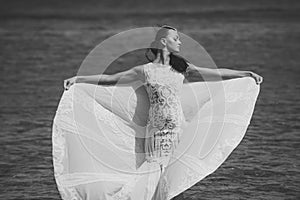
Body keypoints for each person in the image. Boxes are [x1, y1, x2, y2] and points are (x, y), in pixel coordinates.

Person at [59, 25, 262, 200]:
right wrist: (79, 79)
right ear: (164, 42)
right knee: (155, 175)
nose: (180, 42)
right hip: (156, 132)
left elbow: (216, 74)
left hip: (178, 130)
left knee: (174, 177)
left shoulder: (182, 68)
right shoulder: (144, 70)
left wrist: (245, 74)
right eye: (176, 39)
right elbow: (110, 79)